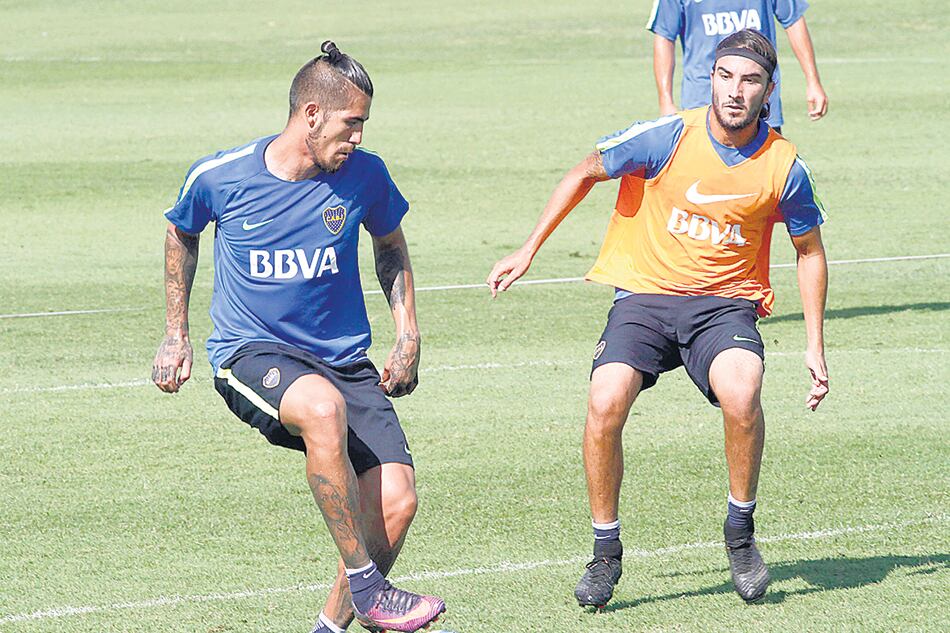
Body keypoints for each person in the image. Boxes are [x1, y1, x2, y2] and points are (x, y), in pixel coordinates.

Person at [487, 29, 829, 607]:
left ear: (768, 91)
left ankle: (740, 534)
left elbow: (810, 252)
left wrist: (815, 344)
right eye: (725, 77)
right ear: (711, 79)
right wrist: (528, 249)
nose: (734, 91)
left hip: (724, 304)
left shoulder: (784, 166)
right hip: (644, 297)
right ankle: (605, 552)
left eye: (749, 81)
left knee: (743, 393)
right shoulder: (668, 136)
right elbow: (584, 171)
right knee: (604, 399)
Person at [152, 41, 445, 633]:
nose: (357, 138)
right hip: (250, 354)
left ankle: (331, 626)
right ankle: (369, 588)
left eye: (363, 125)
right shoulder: (221, 175)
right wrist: (175, 334)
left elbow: (389, 246)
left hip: (342, 359)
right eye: (350, 124)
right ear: (311, 113)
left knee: (395, 502)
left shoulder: (366, 175)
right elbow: (181, 233)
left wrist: (407, 335)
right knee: (320, 406)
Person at [647, 0, 828, 132]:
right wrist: (666, 102)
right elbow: (664, 35)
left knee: (766, 179)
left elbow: (793, 20)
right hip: (702, 101)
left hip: (758, 102)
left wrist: (813, 81)